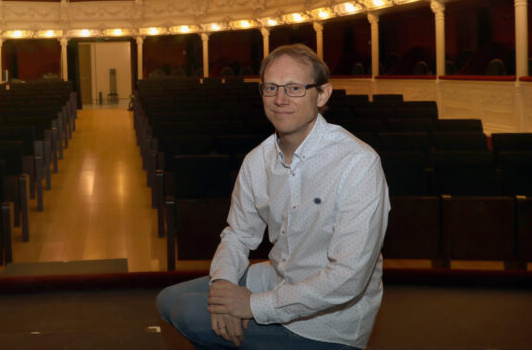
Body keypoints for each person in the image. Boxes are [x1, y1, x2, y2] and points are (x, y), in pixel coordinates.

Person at [157, 44, 390, 349]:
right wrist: (225, 285)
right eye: (271, 88)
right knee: (168, 299)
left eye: (294, 88)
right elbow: (238, 234)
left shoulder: (358, 163)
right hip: (277, 278)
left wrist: (252, 306)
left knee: (187, 312)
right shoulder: (258, 160)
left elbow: (348, 278)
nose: (280, 99)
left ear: (322, 95)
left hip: (327, 324)